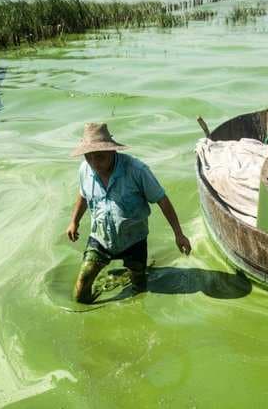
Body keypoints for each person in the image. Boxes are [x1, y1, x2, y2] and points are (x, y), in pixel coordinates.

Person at [66, 123, 191, 303]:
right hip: (100, 239)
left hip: (134, 240)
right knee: (81, 289)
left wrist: (179, 234)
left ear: (112, 151)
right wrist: (74, 222)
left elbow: (162, 200)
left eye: (99, 157)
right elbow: (83, 195)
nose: (94, 163)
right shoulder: (85, 170)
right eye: (88, 157)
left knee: (139, 289)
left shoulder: (137, 170)